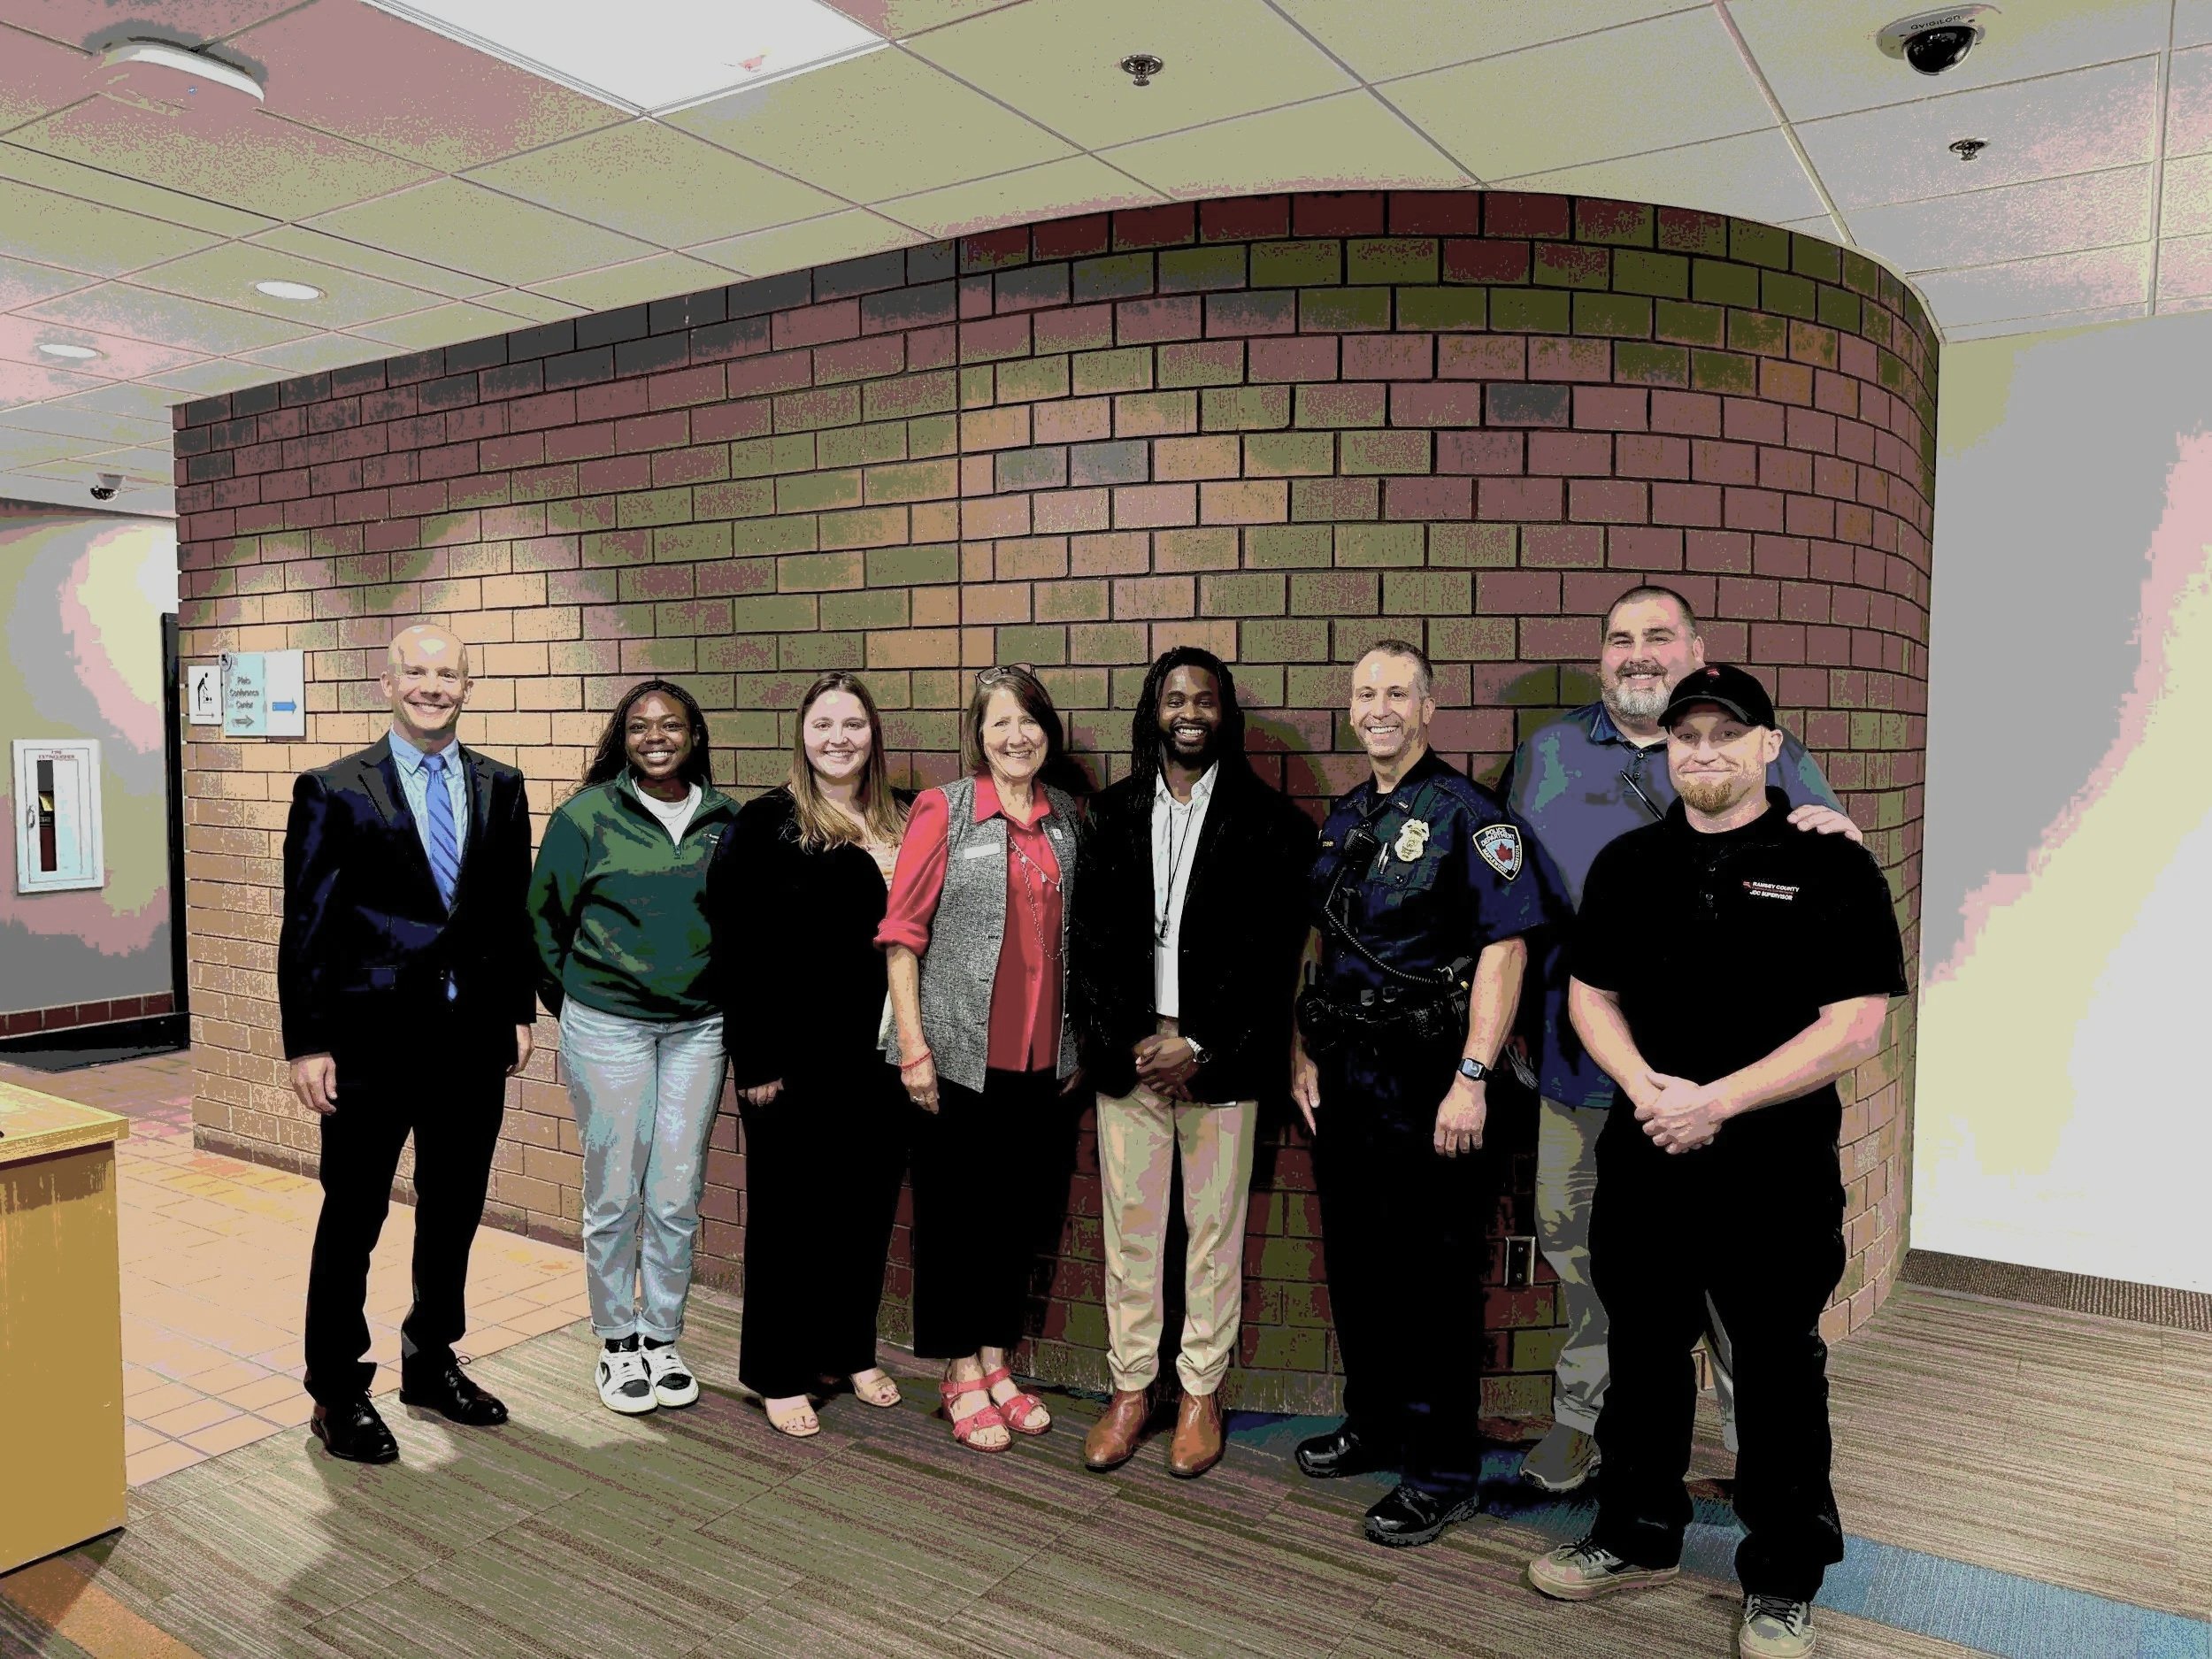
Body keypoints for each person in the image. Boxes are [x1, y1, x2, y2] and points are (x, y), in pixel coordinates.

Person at [1525, 664, 1908, 1659]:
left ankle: (1783, 1577)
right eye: (1686, 737)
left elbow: (1856, 1024)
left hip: (1771, 1166)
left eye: (1724, 736)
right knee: (1642, 1354)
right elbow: (1588, 997)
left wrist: (1720, 1100)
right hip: (1647, 1149)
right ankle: (1633, 1532)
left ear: (1767, 748)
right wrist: (1650, 1091)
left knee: (1777, 1368)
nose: (1703, 752)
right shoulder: (1627, 863)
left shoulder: (1829, 864)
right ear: (1668, 752)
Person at [1502, 585, 1862, 1494]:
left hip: (1729, 1087)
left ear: (1694, 649)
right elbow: (1510, 904)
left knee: (1743, 1283)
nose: (1638, 654)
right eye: (1619, 639)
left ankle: (1754, 1444)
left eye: (1658, 637)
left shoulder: (1765, 749)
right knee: (1585, 1259)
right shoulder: (1544, 755)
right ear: (1600, 659)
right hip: (1582, 1066)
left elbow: (1828, 853)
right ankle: (1584, 1422)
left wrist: (1835, 826)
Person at [1288, 640, 1571, 1547]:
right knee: (1359, 1266)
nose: (1378, 708)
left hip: (1433, 1081)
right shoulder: (1340, 819)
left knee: (1437, 1284)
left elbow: (1506, 948)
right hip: (1345, 1078)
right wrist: (1301, 1049)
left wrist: (1473, 1078)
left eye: (1397, 693)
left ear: (1428, 708)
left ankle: (1442, 1468)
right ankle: (1374, 1425)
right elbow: (1316, 940)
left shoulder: (1467, 816)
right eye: (1365, 692)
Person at [280, 623, 536, 1464]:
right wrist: (308, 1039)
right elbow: (308, 924)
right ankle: (337, 1389)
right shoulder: (334, 787)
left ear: (468, 686)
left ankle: (431, 1360)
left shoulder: (501, 785)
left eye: (448, 674)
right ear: (386, 683)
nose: (433, 685)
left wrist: (518, 1008)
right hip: (368, 1045)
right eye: (416, 672)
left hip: (470, 1042)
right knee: (352, 1215)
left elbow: (507, 906)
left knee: (454, 1209)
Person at [1071, 648, 1316, 1478]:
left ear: (1224, 713)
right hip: (1132, 1061)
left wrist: (1201, 1044)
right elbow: (1092, 948)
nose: (1188, 712)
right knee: (1131, 1234)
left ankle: (1201, 1391)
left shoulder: (1273, 824)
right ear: (1154, 710)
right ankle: (1132, 1389)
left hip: (1224, 1064)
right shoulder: (1108, 814)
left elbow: (1274, 959)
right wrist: (1134, 1042)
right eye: (1174, 698)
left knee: (1212, 1237)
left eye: (1203, 699)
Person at [877, 665, 1085, 1455]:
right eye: (999, 723)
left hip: (1041, 1060)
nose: (1015, 736)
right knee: (956, 1218)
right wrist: (914, 1047)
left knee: (1017, 1215)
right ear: (979, 735)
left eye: (1028, 721)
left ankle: (998, 1362)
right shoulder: (947, 809)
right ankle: (960, 1371)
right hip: (958, 1055)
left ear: (1047, 731)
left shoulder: (1067, 816)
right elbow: (902, 934)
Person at [708, 672, 911, 1438]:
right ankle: (776, 1369)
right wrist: (754, 1057)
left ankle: (848, 1350)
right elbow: (734, 941)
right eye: (823, 723)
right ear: (802, 733)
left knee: (862, 1210)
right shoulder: (767, 824)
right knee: (790, 1218)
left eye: (853, 723)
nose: (838, 738)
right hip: (791, 1059)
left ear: (872, 733)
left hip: (883, 1054)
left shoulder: (899, 820)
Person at [527, 680, 737, 1417]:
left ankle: (662, 1336)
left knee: (676, 1192)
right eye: (641, 726)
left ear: (694, 735)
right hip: (608, 1027)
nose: (656, 736)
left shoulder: (724, 820)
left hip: (697, 1029)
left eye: (671, 724)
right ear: (623, 737)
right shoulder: (586, 815)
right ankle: (617, 1340)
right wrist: (577, 1002)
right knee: (616, 1189)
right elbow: (543, 921)